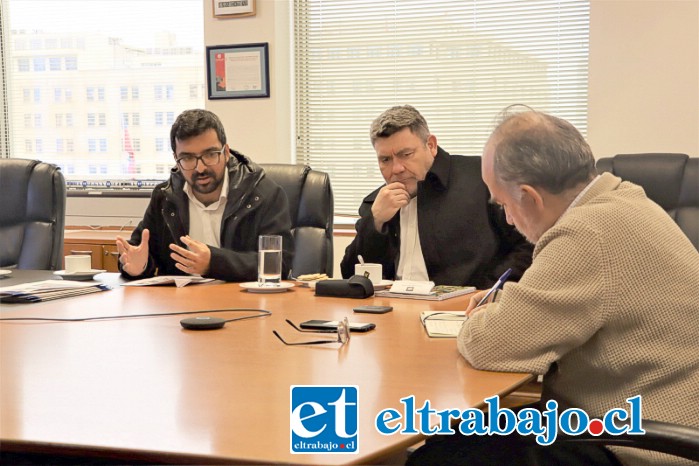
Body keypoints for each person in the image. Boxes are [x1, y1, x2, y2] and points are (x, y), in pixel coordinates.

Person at [408, 108, 699, 465]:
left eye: (502, 204)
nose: (509, 220)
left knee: (440, 458)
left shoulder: (584, 234)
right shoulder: (627, 200)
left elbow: (489, 345)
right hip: (656, 418)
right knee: (460, 436)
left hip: (639, 446)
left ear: (530, 196)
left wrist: (479, 319)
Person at [340, 105, 532, 289]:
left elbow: (527, 245)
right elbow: (351, 275)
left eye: (406, 154)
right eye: (385, 160)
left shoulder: (482, 178)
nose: (396, 169)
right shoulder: (377, 203)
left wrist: (487, 291)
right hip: (391, 310)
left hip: (467, 309)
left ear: (431, 145)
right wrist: (375, 222)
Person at [116, 109, 294, 282]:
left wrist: (214, 263)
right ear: (176, 159)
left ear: (226, 152)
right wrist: (139, 266)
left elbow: (279, 265)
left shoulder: (263, 195)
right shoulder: (165, 198)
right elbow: (136, 253)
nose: (200, 168)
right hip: (180, 306)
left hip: (245, 304)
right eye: (188, 158)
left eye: (210, 155)